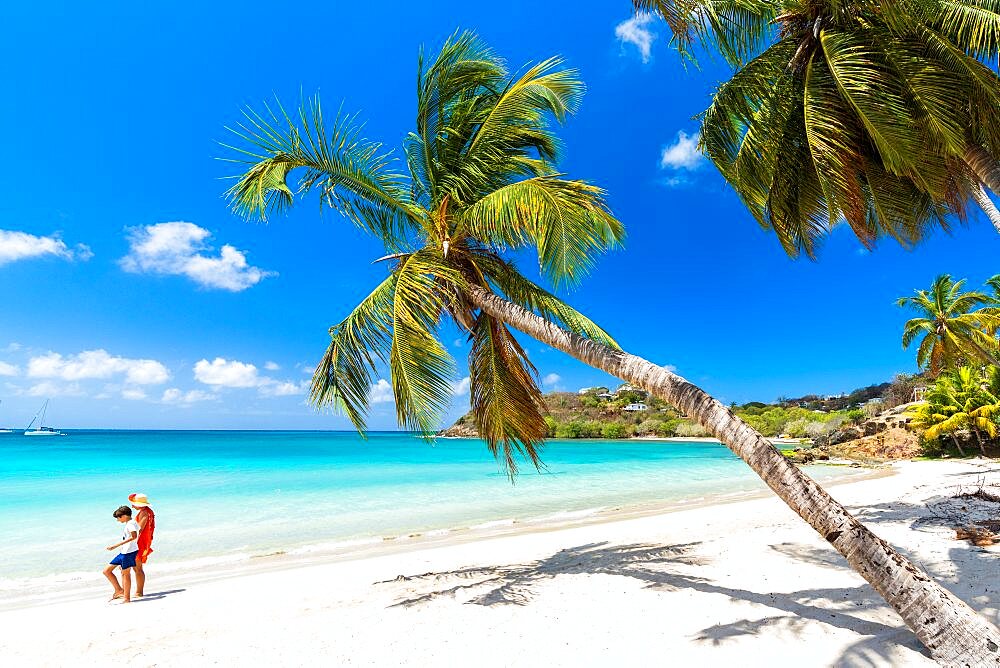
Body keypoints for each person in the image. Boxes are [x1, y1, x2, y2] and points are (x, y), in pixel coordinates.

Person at [102, 505, 139, 603]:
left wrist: (115, 545)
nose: (118, 520)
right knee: (106, 571)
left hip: (128, 553)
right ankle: (119, 590)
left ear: (125, 516)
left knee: (125, 574)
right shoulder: (131, 522)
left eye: (118, 517)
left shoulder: (130, 524)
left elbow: (134, 536)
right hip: (124, 552)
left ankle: (127, 599)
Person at [129, 492, 155, 597]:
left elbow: (140, 529)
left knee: (137, 568)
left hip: (140, 542)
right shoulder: (148, 511)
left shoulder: (144, 512)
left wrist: (131, 542)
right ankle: (138, 591)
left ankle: (139, 592)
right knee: (136, 567)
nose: (132, 506)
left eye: (133, 504)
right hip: (143, 541)